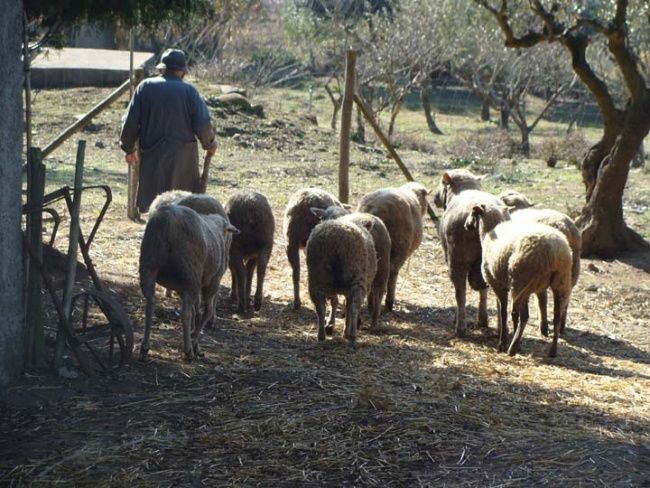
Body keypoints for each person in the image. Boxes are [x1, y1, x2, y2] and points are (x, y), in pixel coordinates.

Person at [120, 48, 217, 213]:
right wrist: (210, 143)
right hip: (183, 161)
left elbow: (130, 123)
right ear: (183, 71)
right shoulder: (190, 92)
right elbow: (203, 124)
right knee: (184, 207)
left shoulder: (145, 88)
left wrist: (129, 148)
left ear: (161, 68)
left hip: (153, 157)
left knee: (155, 209)